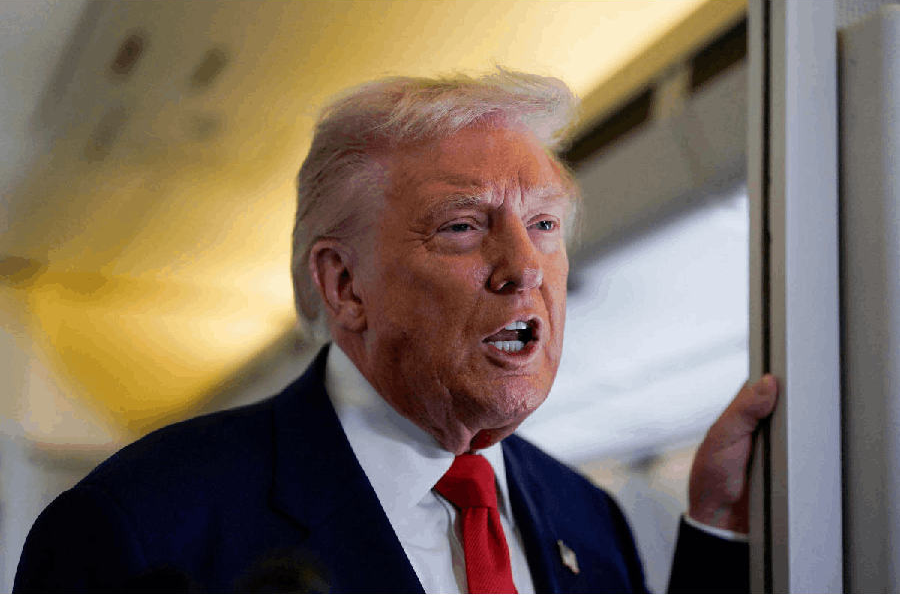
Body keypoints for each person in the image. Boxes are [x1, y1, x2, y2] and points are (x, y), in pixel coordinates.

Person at [14, 69, 777, 593]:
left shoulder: (587, 515)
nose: (525, 267)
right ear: (344, 285)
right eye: (461, 226)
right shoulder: (140, 530)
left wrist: (715, 532)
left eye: (544, 224)